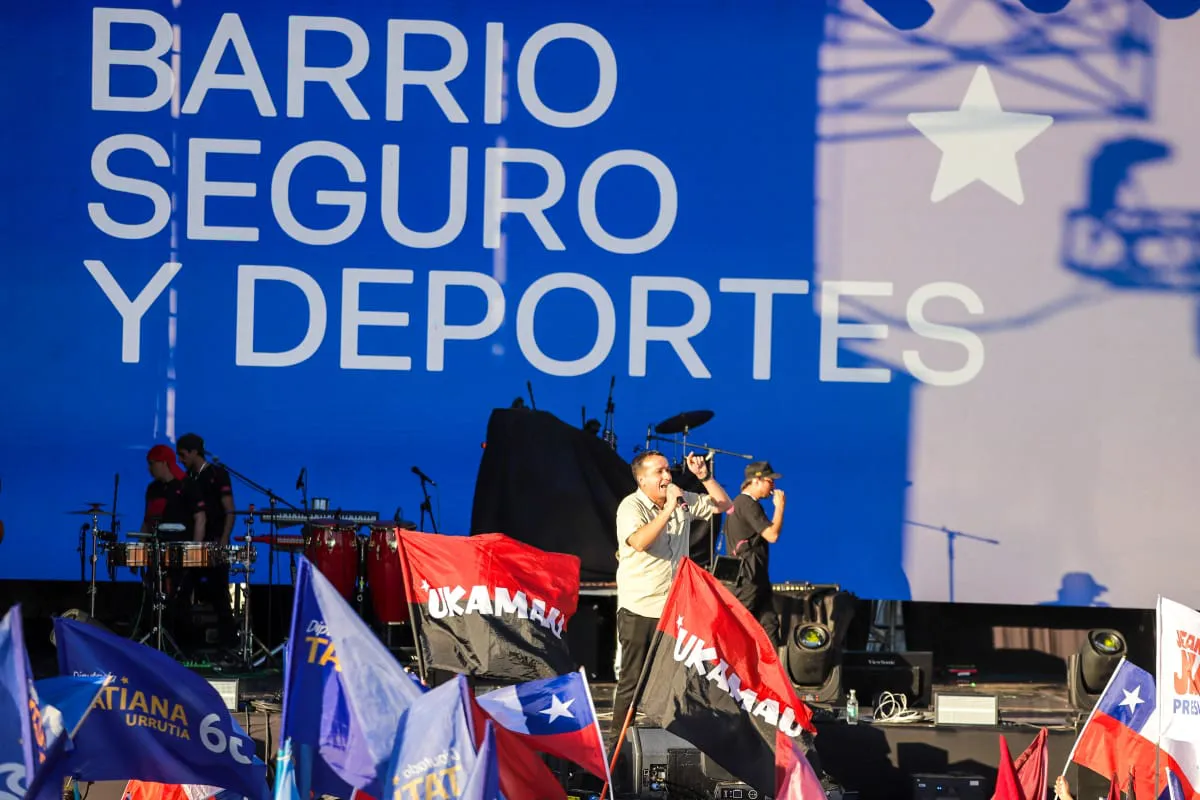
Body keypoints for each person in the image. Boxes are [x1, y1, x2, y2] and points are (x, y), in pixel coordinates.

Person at [611, 450, 733, 741]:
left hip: (675, 608)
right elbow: (639, 542)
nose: (667, 476)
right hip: (641, 607)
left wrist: (705, 477)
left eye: (668, 470)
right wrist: (668, 509)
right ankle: (616, 747)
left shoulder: (682, 499)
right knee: (633, 680)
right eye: (659, 472)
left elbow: (724, 505)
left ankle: (672, 743)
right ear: (642, 479)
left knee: (677, 679)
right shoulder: (631, 506)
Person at [176, 433, 237, 648]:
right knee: (183, 593)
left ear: (194, 452)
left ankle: (228, 645)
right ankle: (189, 645)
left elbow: (230, 510)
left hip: (214, 544)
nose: (180, 460)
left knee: (219, 595)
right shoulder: (187, 480)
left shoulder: (217, 474)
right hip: (193, 544)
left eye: (183, 455)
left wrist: (224, 539)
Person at [723, 461, 786, 646]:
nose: (773, 485)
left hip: (756, 577)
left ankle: (772, 673)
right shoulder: (747, 503)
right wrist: (780, 507)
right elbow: (772, 535)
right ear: (756, 481)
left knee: (770, 625)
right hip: (748, 578)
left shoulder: (740, 504)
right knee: (738, 625)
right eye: (769, 481)